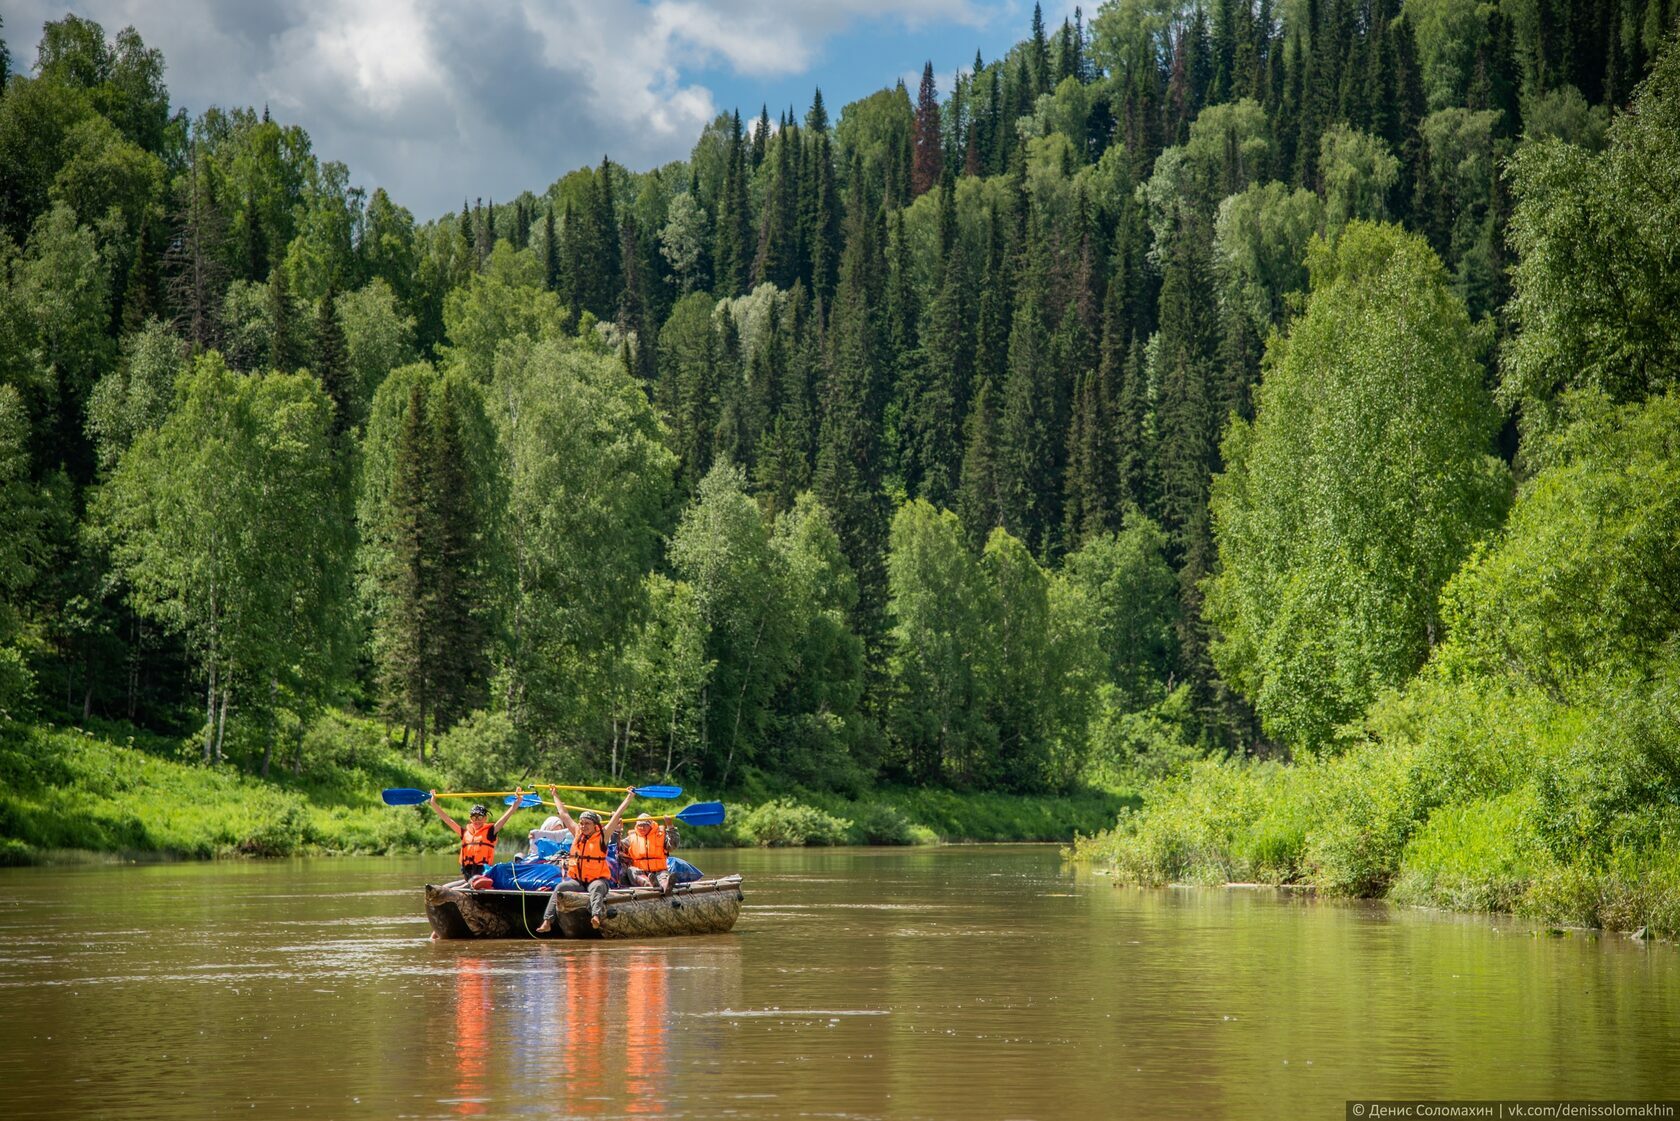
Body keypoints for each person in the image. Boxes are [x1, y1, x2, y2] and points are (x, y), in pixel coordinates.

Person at [535, 786, 635, 932]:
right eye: (581, 823)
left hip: (597, 880)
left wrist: (629, 797)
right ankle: (547, 921)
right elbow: (563, 814)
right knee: (560, 887)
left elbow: (616, 816)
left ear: (596, 826)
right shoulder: (577, 833)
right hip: (579, 881)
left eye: (587, 823)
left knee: (597, 888)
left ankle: (596, 916)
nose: (583, 826)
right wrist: (555, 794)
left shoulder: (603, 835)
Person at [427, 788, 526, 881]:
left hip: (483, 872)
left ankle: (478, 885)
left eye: (480, 817)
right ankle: (469, 885)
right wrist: (433, 803)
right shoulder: (465, 832)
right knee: (470, 882)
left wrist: (516, 803)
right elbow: (448, 820)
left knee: (475, 882)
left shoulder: (491, 831)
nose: (477, 821)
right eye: (474, 818)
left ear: (485, 819)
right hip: (468, 872)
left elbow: (504, 818)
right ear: (470, 819)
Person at [622, 812, 679, 895]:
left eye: (645, 825)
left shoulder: (660, 835)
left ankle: (666, 885)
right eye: (639, 825)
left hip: (659, 870)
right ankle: (650, 884)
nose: (641, 827)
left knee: (663, 876)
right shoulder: (631, 838)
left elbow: (673, 846)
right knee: (631, 870)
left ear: (651, 825)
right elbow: (616, 847)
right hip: (640, 872)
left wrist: (670, 827)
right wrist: (617, 829)